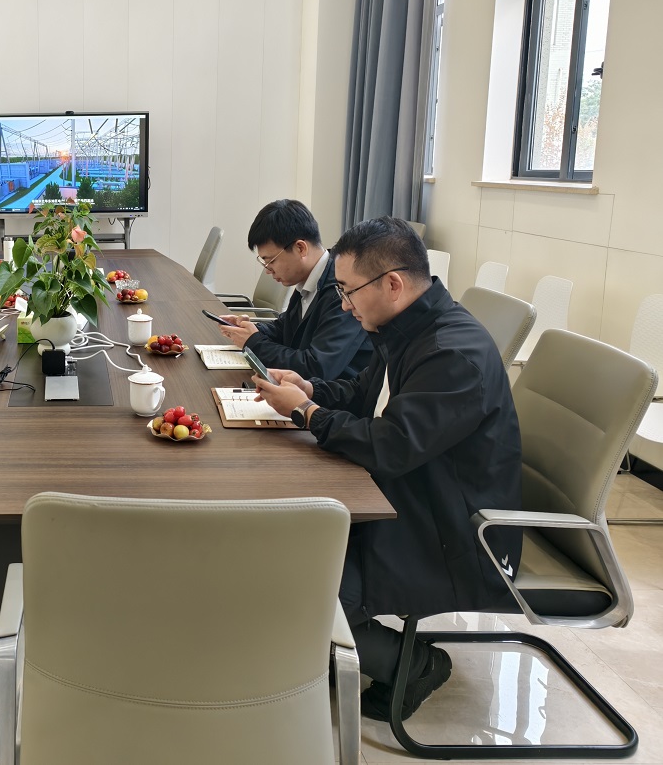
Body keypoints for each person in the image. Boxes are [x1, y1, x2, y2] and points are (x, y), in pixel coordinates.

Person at [251, 217, 522, 723]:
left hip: (456, 531)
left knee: (306, 583)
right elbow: (364, 396)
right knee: (289, 548)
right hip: (413, 494)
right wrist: (311, 390)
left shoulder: (452, 353)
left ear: (392, 283)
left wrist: (307, 414)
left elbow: (390, 446)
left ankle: (414, 665)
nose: (344, 305)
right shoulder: (405, 327)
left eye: (348, 291)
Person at [215, 199, 371, 380]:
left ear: (300, 248)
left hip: (332, 392)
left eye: (271, 261)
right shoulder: (310, 279)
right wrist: (249, 330)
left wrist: (254, 342)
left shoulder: (342, 292)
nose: (268, 270)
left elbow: (316, 368)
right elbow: (285, 329)